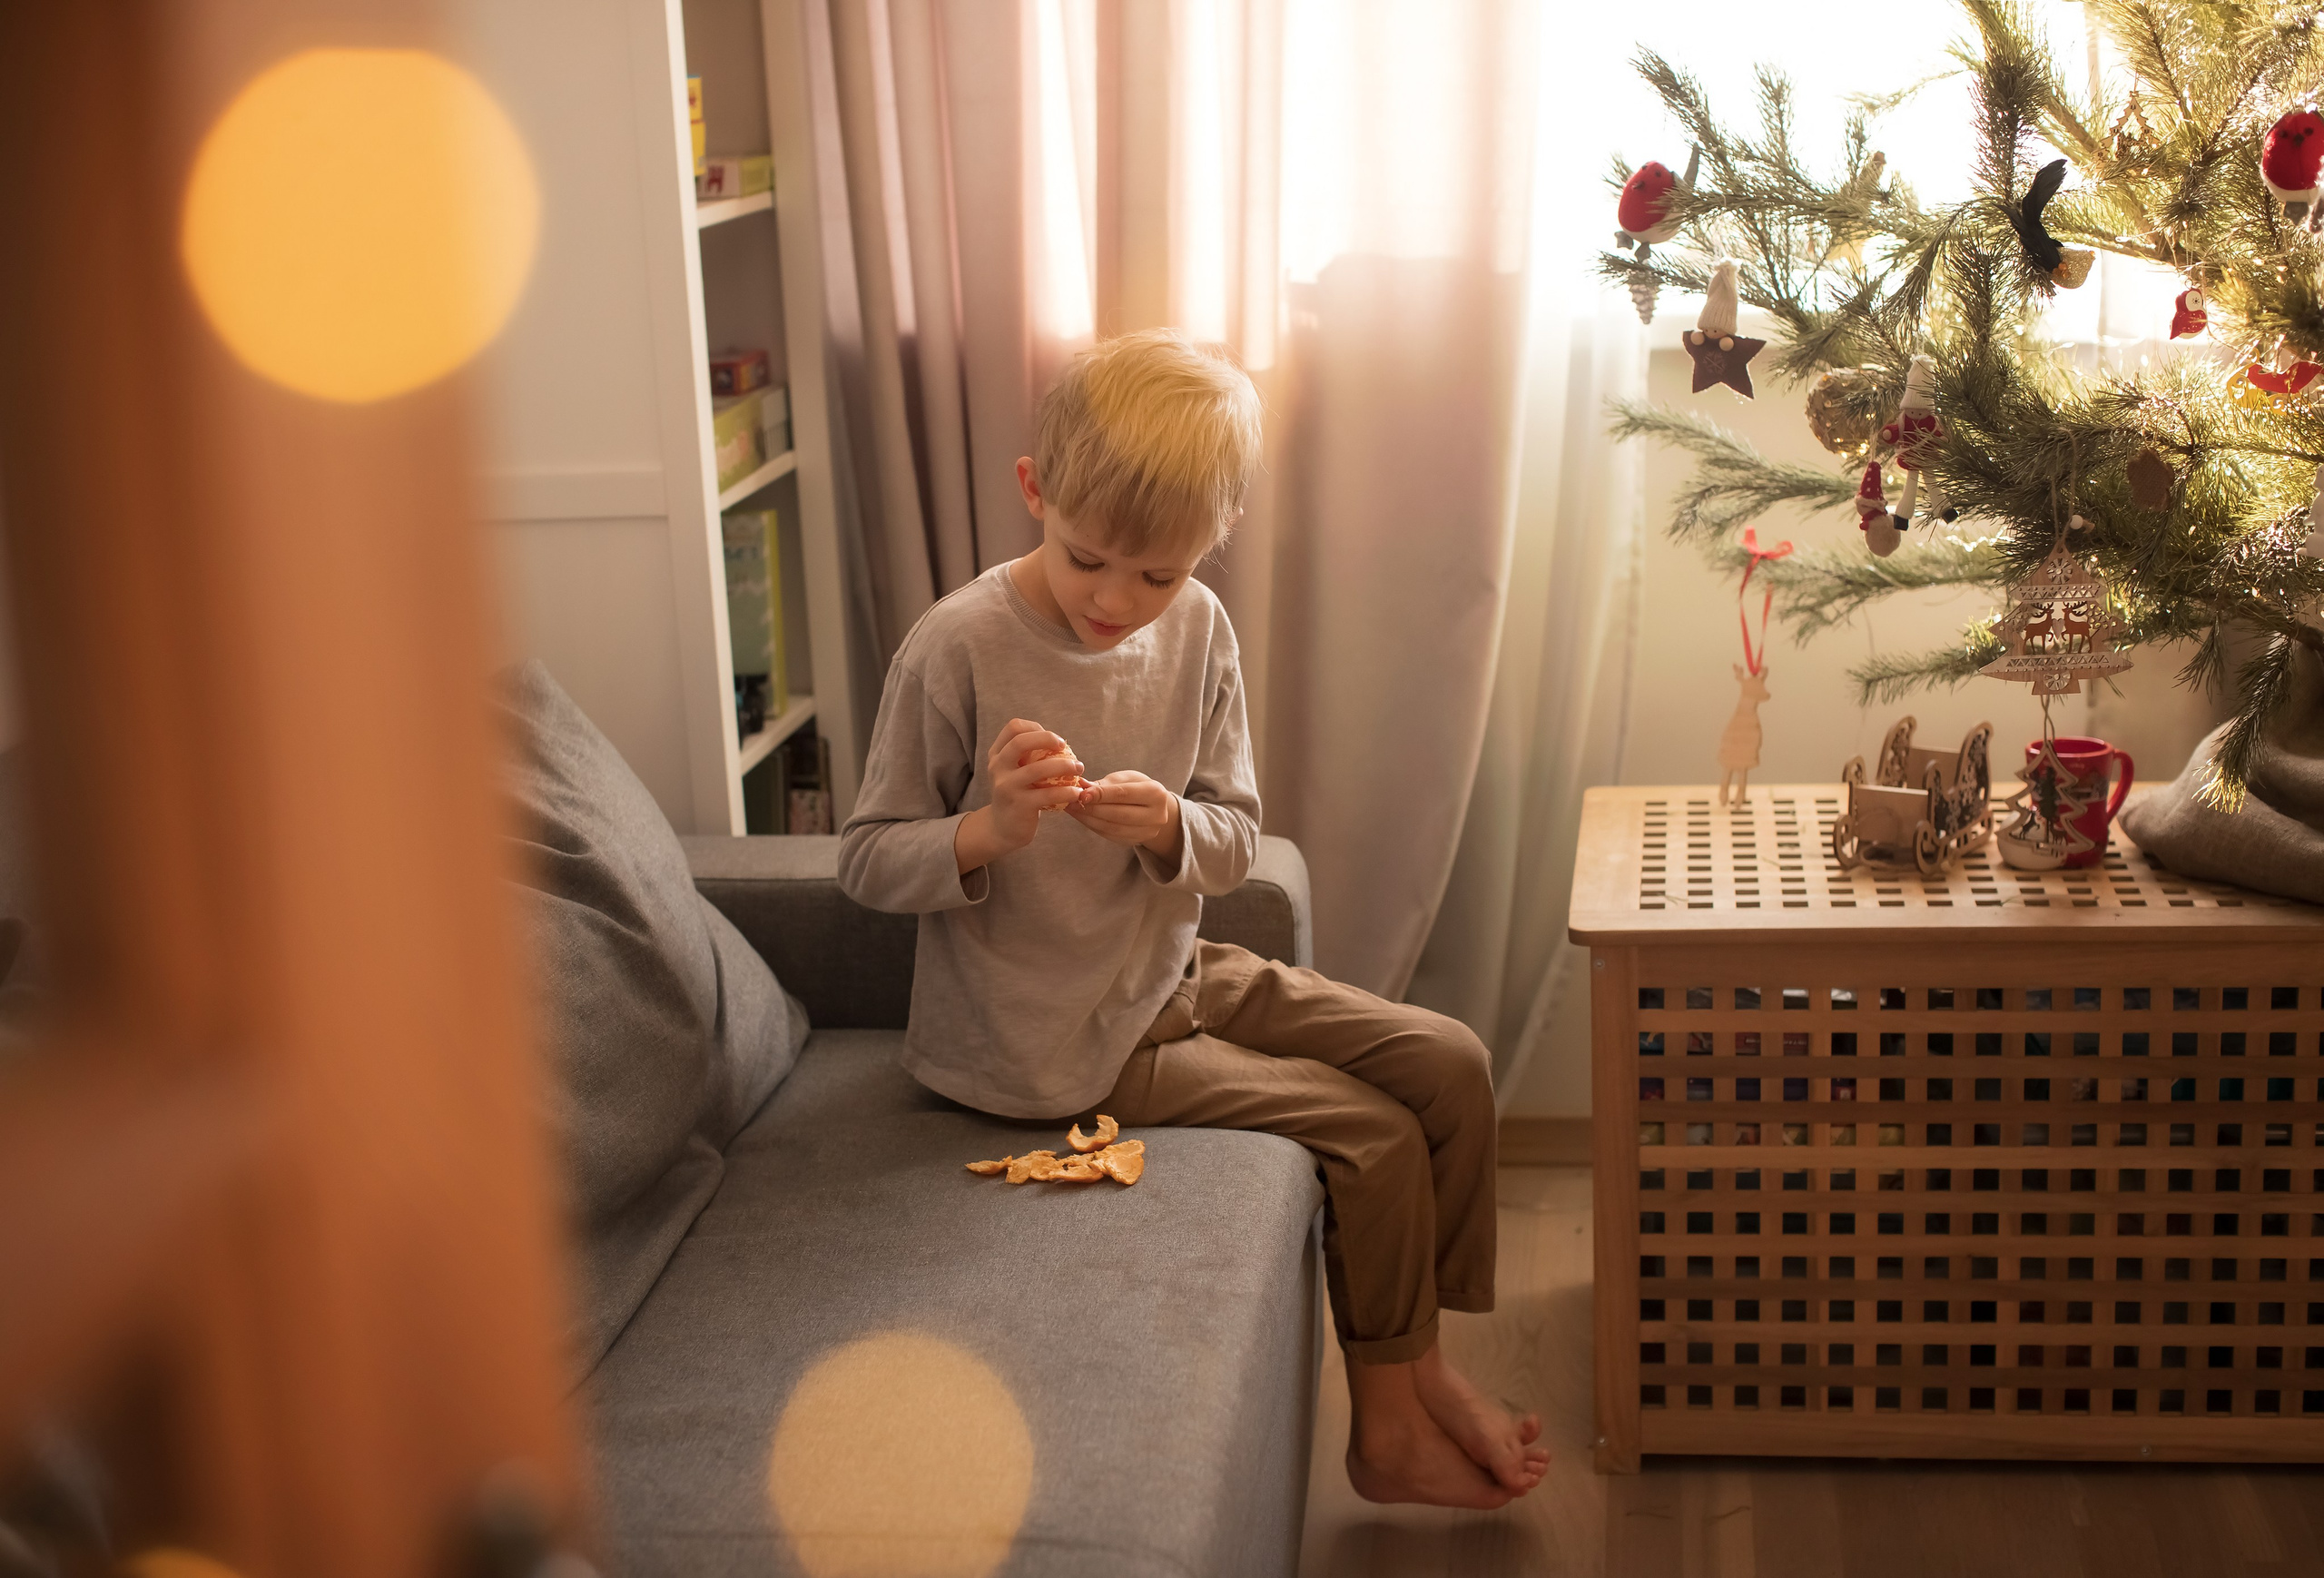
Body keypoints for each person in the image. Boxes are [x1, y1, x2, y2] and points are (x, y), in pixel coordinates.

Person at [836, 328, 1547, 1508]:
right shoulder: (957, 645)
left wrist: (1170, 824)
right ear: (1034, 490)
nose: (1118, 600)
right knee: (1373, 1136)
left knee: (1450, 1061)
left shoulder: (1200, 626)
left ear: (1213, 540)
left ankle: (1423, 1359)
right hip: (1052, 1044)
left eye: (1157, 575)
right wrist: (990, 830)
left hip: (1169, 970)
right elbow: (864, 862)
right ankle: (1391, 1427)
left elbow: (1235, 839)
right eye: (1089, 559)